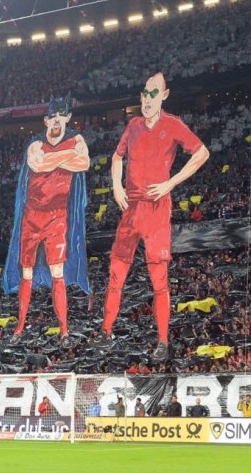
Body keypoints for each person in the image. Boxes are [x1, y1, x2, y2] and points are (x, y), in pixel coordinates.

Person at [92, 73, 209, 361]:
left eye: (153, 94)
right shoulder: (133, 125)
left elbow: (202, 152)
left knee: (159, 277)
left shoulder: (173, 124)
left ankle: (163, 341)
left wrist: (171, 183)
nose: (147, 99)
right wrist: (116, 185)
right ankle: (106, 332)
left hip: (156, 209)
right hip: (131, 209)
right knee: (116, 271)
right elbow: (117, 157)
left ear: (164, 96)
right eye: (144, 94)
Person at [4, 94, 91, 348]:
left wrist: (54, 159)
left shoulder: (77, 140)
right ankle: (19, 327)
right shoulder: (36, 143)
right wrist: (66, 157)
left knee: (57, 272)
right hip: (32, 217)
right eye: (52, 115)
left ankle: (64, 330)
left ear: (68, 117)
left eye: (61, 115)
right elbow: (38, 165)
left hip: (57, 217)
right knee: (27, 272)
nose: (56, 120)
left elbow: (84, 162)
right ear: (45, 119)